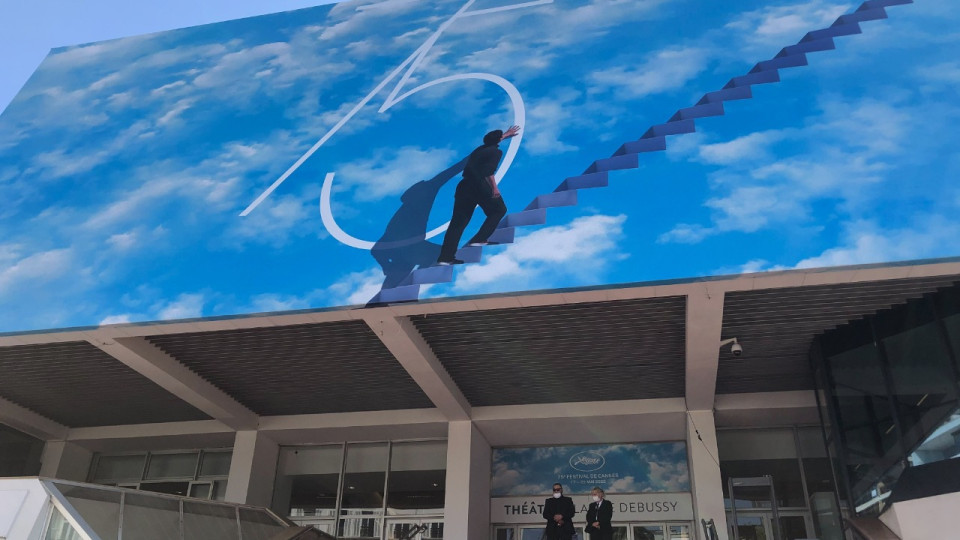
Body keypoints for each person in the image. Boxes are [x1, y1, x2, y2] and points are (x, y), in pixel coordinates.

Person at [436, 125, 521, 265]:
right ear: (497, 141)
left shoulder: (479, 150)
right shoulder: (495, 152)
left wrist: (505, 135)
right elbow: (489, 172)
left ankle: (445, 258)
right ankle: (479, 239)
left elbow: (492, 141)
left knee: (457, 224)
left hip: (464, 187)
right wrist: (494, 188)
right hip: (480, 185)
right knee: (499, 210)